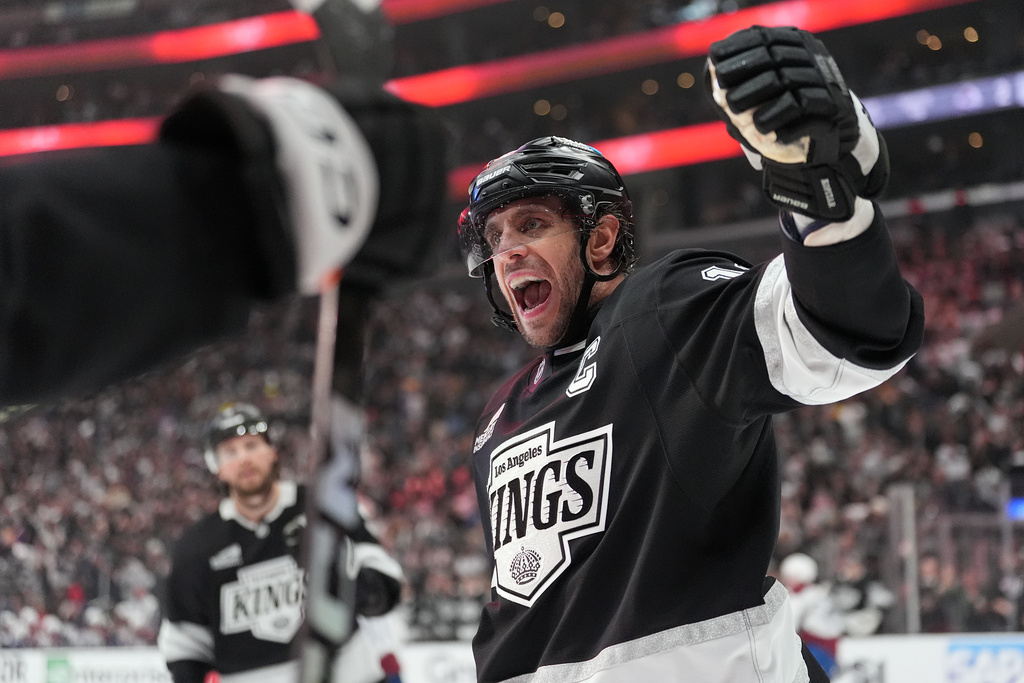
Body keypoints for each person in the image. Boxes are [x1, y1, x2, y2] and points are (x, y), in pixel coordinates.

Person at [456, 25, 924, 683]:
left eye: (532, 224)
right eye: (495, 237)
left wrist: (824, 207)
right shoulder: (495, 419)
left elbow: (842, 331)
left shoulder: (660, 310)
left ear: (601, 239)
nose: (507, 252)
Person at [157, 402, 405, 683]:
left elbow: (385, 589)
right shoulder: (196, 547)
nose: (244, 458)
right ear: (218, 468)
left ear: (271, 451)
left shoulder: (326, 506)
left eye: (251, 446)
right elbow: (185, 645)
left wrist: (338, 568)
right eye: (230, 452)